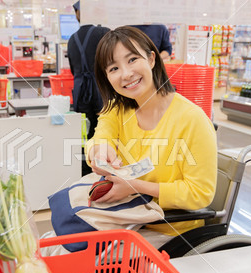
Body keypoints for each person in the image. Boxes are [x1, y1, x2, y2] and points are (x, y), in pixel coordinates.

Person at [86, 26, 217, 243]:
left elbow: (200, 192)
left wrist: (135, 187)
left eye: (132, 59)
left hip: (170, 232)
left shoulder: (192, 119)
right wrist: (99, 150)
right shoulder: (117, 110)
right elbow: (100, 136)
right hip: (126, 219)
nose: (126, 74)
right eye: (113, 68)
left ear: (151, 59)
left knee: (84, 260)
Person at [67, 1, 110, 176]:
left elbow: (72, 69)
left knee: (84, 132)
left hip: (80, 92)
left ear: (77, 13)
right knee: (105, 130)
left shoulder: (71, 39)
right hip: (101, 90)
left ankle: (85, 172)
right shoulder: (104, 32)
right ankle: (104, 170)